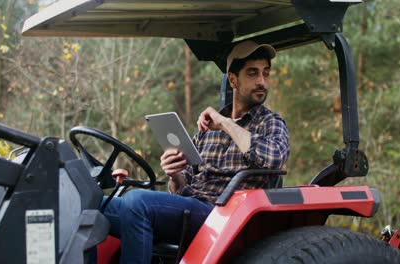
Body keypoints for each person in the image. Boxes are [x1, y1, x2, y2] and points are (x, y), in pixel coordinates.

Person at [102, 40, 290, 263]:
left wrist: (225, 123)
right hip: (194, 210)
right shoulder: (206, 130)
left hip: (227, 218)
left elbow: (274, 159)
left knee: (136, 202)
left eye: (265, 73)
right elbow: (184, 187)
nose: (262, 81)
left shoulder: (271, 123)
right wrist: (174, 174)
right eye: (252, 73)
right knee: (95, 204)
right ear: (233, 80)